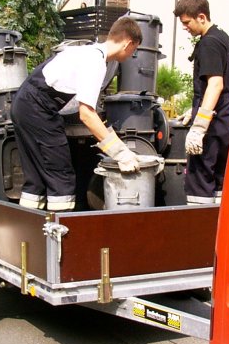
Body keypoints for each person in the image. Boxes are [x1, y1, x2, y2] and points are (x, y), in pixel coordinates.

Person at [11, 17, 143, 211]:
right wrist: (121, 154)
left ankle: (30, 231)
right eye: (135, 49)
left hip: (24, 103)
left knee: (36, 178)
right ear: (128, 43)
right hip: (38, 107)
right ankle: (61, 236)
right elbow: (86, 114)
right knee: (60, 175)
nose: (133, 54)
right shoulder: (95, 61)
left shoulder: (86, 52)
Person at [174, 0, 229, 205]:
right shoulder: (222, 37)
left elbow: (215, 84)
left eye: (187, 22)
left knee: (199, 180)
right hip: (226, 116)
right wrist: (193, 110)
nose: (185, 27)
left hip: (213, 122)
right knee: (220, 180)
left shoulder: (209, 43)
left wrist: (199, 127)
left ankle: (197, 233)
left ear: (201, 17)